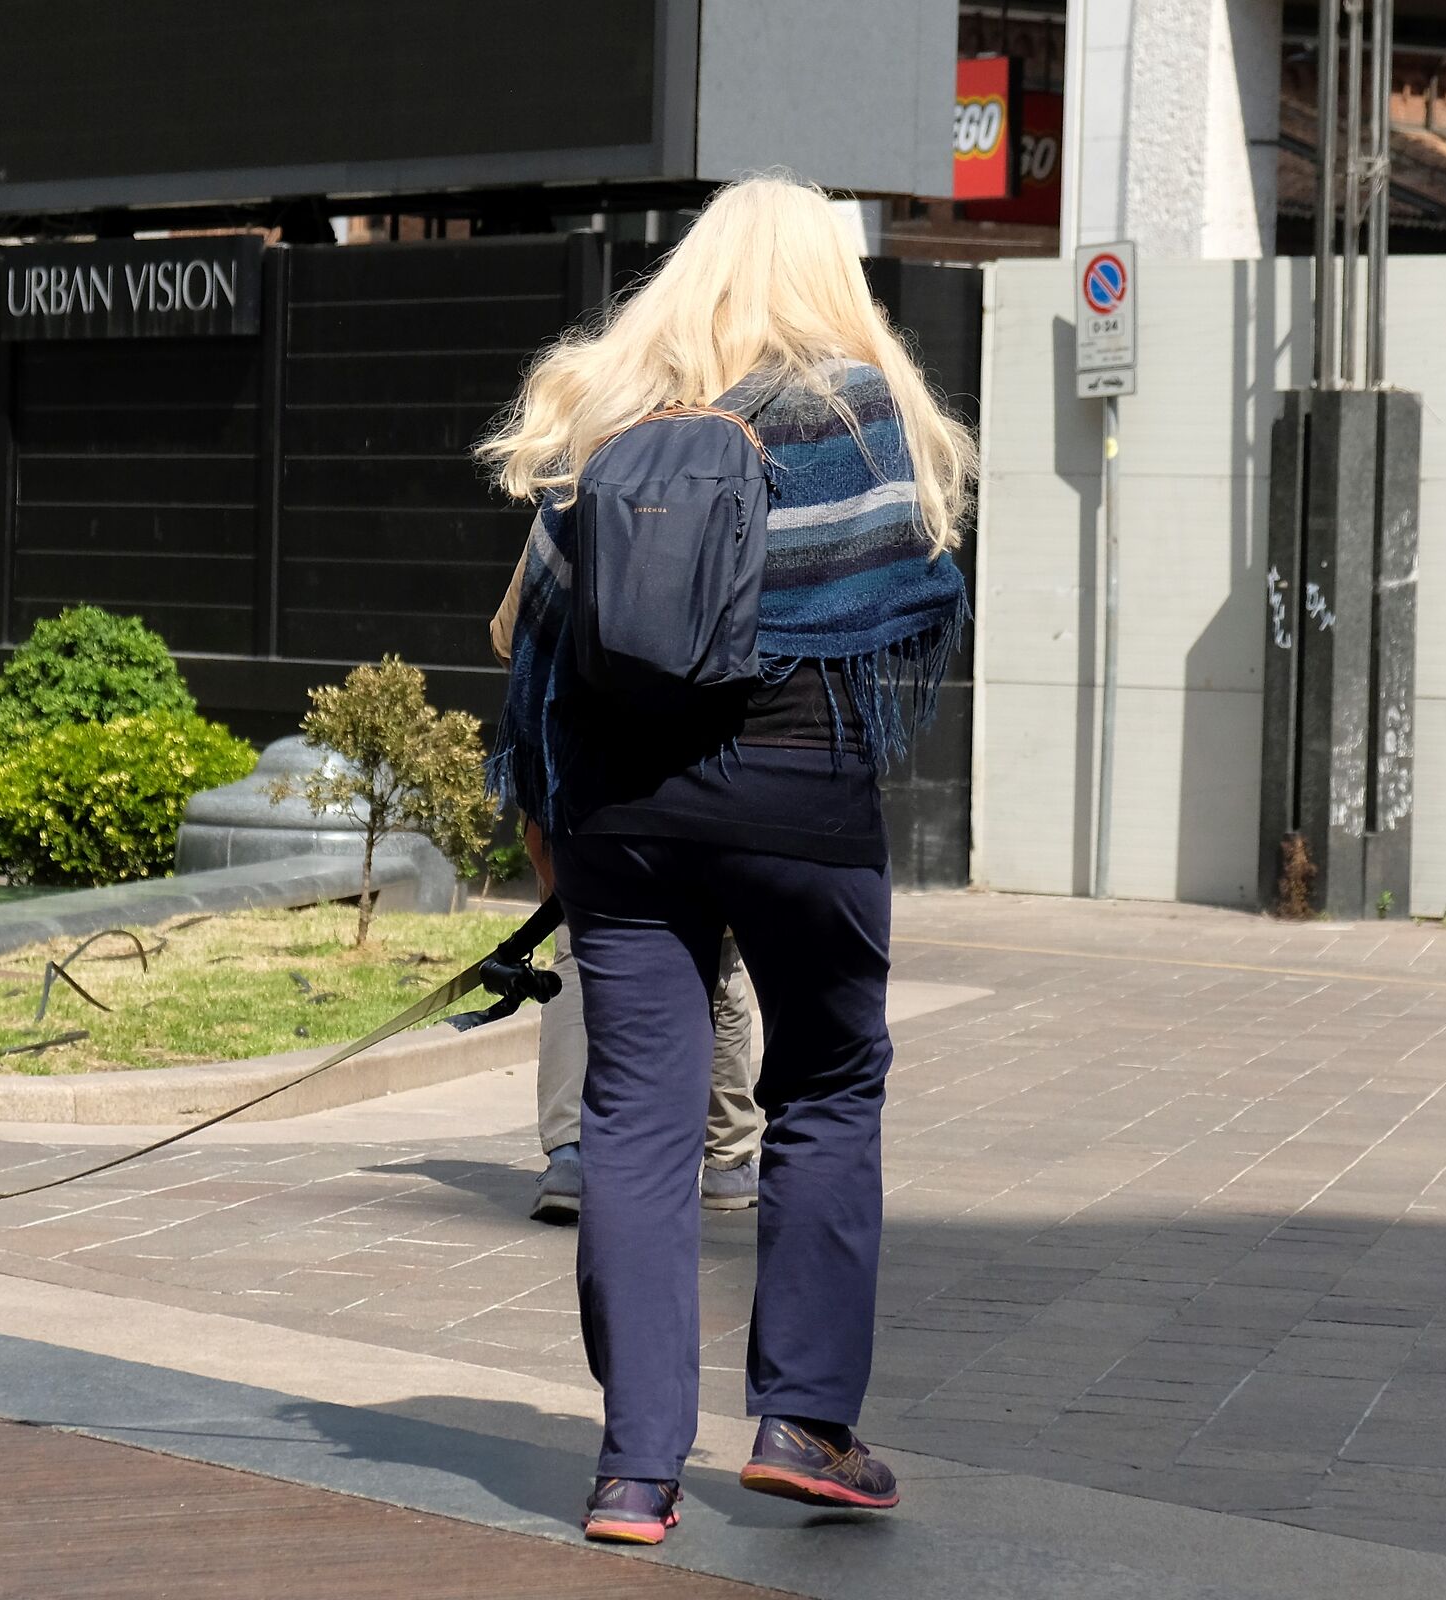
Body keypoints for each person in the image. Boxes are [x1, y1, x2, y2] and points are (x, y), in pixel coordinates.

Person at [481, 174, 974, 1542]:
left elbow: (528, 635)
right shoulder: (860, 414)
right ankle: (806, 1424)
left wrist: (546, 817)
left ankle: (635, 1472)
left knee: (636, 1124)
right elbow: (914, 598)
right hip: (803, 796)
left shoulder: (611, 407)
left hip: (622, 815)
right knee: (827, 1079)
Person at [491, 578, 764, 1222]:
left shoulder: (578, 496)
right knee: (721, 969)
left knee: (579, 957)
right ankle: (728, 1160)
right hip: (717, 772)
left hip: (595, 776)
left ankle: (572, 1156)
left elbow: (509, 635)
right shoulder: (757, 490)